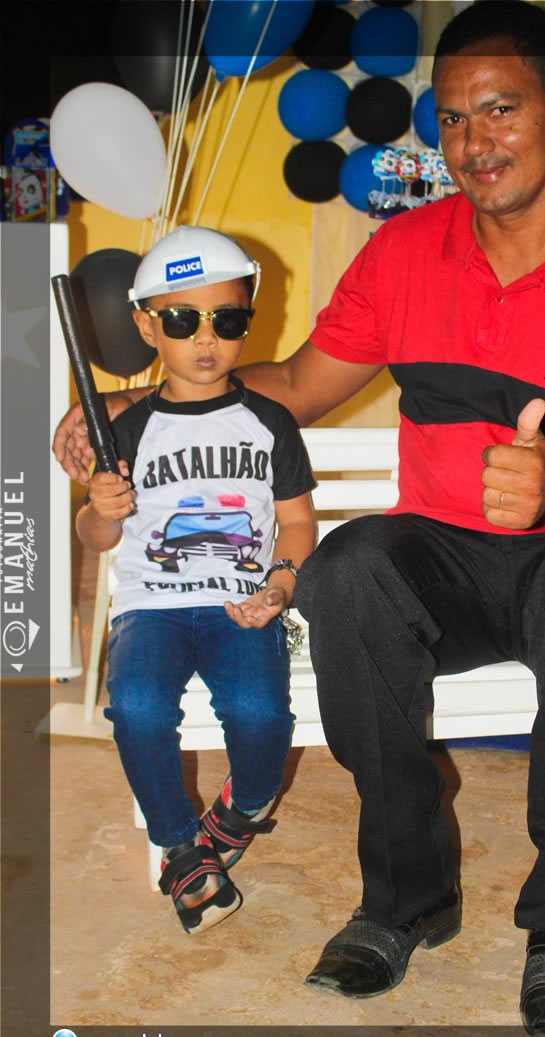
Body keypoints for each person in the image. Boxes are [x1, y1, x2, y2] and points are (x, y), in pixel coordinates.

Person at [55, 1, 545, 1035]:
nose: (473, 143)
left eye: (500, 110)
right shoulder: (404, 251)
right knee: (349, 569)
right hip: (446, 555)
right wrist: (135, 402)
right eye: (451, 119)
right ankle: (404, 899)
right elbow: (295, 387)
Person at [74, 225, 316, 934]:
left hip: (242, 602)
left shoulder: (269, 422)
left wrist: (280, 585)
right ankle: (180, 847)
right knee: (138, 707)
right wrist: (99, 510)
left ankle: (244, 808)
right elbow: (96, 538)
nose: (205, 338)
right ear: (147, 326)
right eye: (182, 320)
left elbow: (296, 522)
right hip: (150, 606)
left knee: (261, 714)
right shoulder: (126, 430)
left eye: (227, 320)